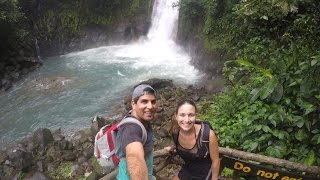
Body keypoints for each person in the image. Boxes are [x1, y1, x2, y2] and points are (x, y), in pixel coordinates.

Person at [165, 99, 220, 180]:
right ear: (176, 116)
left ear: (196, 116)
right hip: (188, 168)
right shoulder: (175, 132)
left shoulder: (207, 135)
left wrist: (214, 179)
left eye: (191, 115)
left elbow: (215, 160)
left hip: (206, 172)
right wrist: (172, 148)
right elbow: (177, 143)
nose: (187, 120)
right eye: (182, 115)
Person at [115, 84, 157, 180]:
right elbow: (134, 157)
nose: (150, 106)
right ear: (133, 104)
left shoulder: (139, 119)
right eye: (144, 101)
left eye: (153, 102)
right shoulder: (131, 129)